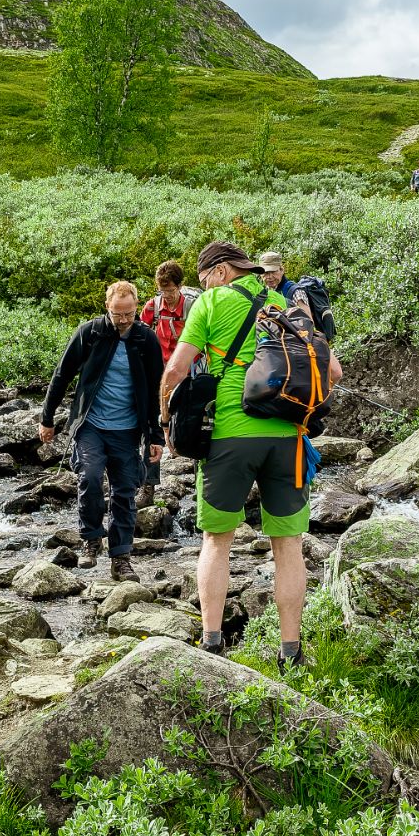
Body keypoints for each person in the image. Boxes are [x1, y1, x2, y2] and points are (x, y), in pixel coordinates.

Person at [157, 240, 341, 664]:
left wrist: (166, 421)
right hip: (289, 438)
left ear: (221, 271)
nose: (204, 286)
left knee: (217, 540)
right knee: (288, 545)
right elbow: (333, 371)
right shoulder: (284, 304)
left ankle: (212, 644)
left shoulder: (211, 303)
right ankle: (291, 652)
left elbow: (175, 370)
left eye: (205, 278)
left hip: (230, 436)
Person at [39, 281, 165, 580]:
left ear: (137, 307)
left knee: (124, 492)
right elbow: (62, 374)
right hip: (91, 424)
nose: (123, 320)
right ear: (107, 307)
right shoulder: (90, 332)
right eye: (117, 314)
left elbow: (156, 388)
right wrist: (47, 418)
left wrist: (156, 436)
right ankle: (91, 538)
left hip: (128, 428)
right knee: (91, 477)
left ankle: (121, 558)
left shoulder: (145, 338)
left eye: (129, 314)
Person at [138, 260, 195, 508]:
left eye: (170, 291)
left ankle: (201, 483)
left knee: (195, 425)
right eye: (162, 291)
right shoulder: (153, 307)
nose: (167, 296)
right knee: (151, 427)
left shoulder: (192, 307)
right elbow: (139, 336)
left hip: (188, 373)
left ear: (180, 286)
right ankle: (148, 487)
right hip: (159, 374)